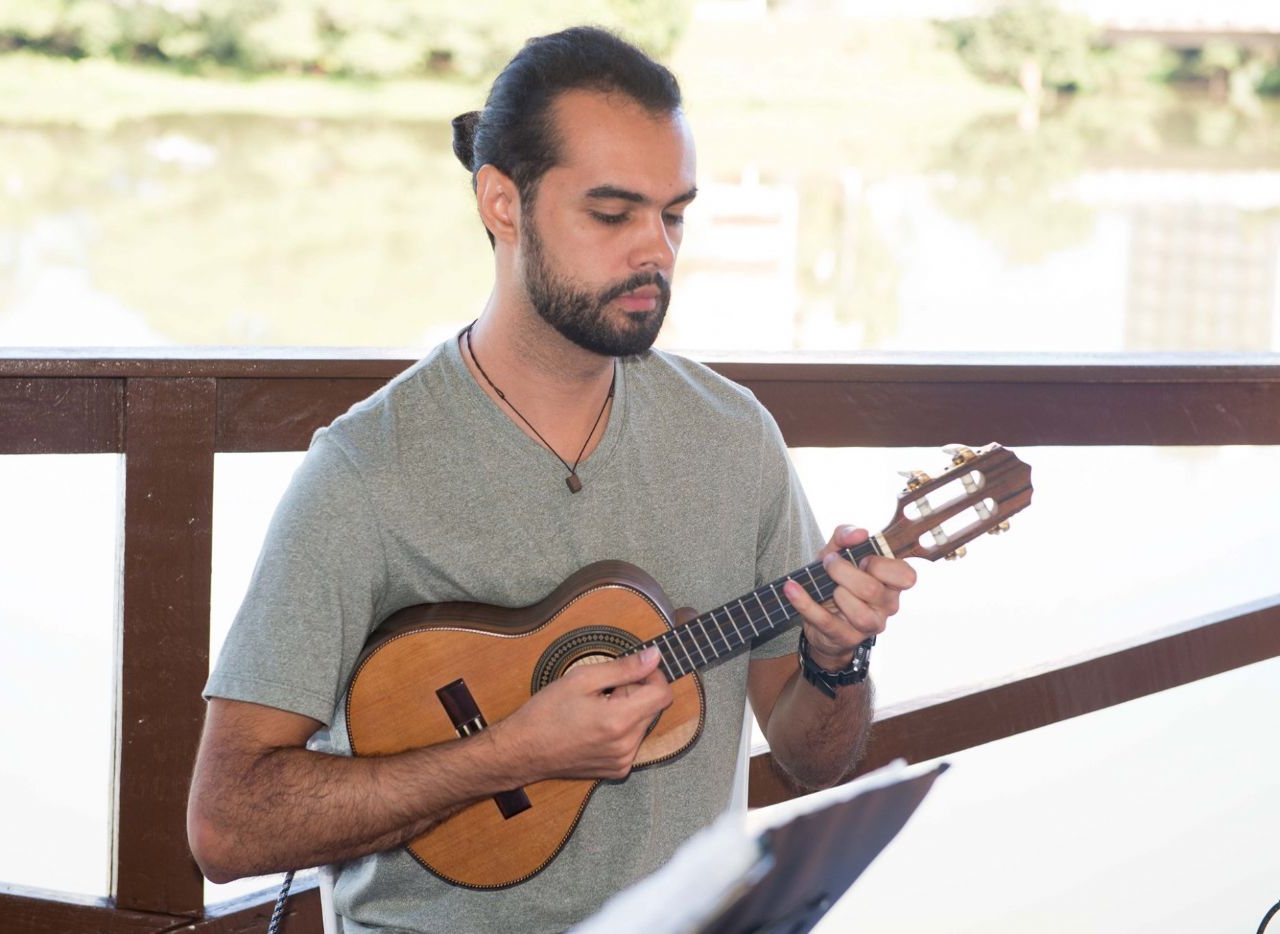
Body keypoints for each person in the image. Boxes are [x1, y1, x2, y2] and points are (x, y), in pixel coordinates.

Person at [187, 25, 916, 933]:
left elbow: (813, 758)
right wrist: (510, 756)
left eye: (674, 214)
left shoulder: (735, 438)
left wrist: (837, 658)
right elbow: (228, 825)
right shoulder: (365, 472)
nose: (656, 251)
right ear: (503, 203)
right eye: (612, 215)